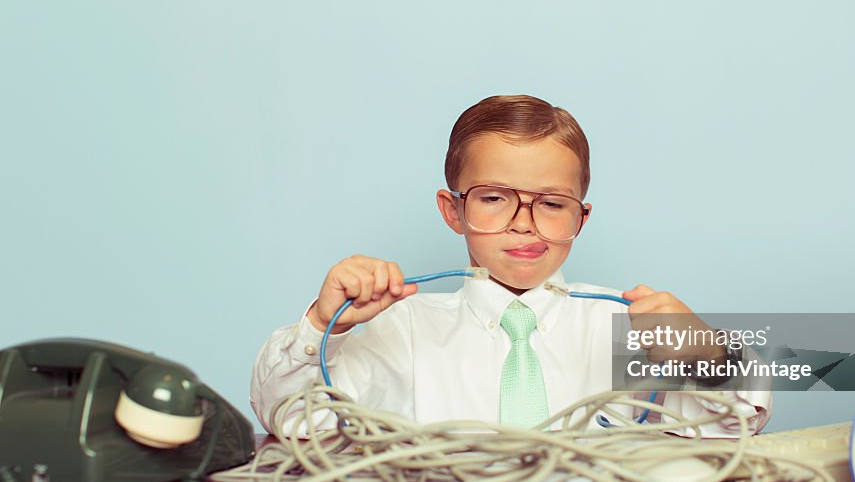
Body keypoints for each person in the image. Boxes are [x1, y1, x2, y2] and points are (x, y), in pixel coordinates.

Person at [250, 95, 771, 436]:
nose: (524, 223)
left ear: (580, 218)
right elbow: (290, 416)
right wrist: (323, 327)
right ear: (453, 211)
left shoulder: (625, 332)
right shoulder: (400, 330)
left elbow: (741, 420)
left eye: (550, 203)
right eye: (495, 198)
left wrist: (709, 353)